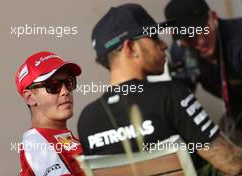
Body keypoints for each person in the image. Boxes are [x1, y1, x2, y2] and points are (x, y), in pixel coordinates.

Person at [77, 3, 242, 175]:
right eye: (154, 36)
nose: (164, 45)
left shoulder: (86, 121)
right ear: (131, 48)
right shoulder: (172, 95)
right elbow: (232, 163)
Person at [164, 0, 242, 144]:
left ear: (213, 17)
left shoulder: (237, 43)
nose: (200, 41)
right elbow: (180, 101)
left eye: (202, 29)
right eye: (190, 36)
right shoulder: (181, 53)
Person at [15, 51, 84, 176]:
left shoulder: (61, 138)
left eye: (68, 82)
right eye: (54, 85)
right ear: (29, 97)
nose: (65, 91)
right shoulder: (36, 143)